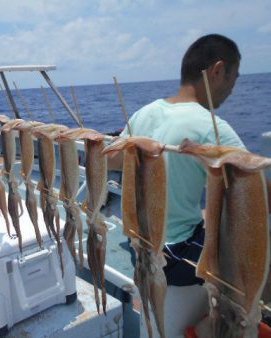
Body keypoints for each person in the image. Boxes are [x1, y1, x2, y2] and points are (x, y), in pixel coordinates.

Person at [111, 34, 245, 337]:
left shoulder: (144, 113)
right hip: (178, 258)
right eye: (233, 81)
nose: (230, 92)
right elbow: (254, 192)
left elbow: (114, 160)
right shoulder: (211, 127)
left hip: (140, 248)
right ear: (217, 71)